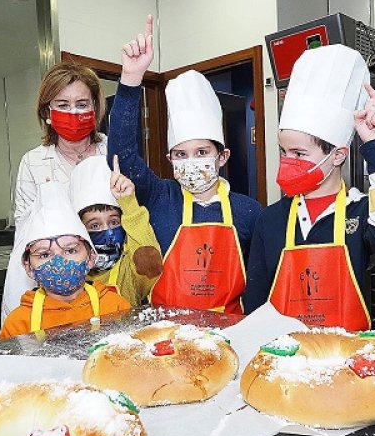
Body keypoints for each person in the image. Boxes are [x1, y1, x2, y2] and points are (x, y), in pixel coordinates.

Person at [243, 45, 375, 330]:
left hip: (346, 352)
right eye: (283, 152)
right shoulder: (270, 220)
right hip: (283, 351)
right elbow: (256, 300)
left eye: (299, 153)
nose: (287, 161)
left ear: (338, 156)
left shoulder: (360, 212)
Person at [109, 16, 261, 313]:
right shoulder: (159, 197)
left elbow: (259, 286)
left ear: (222, 157)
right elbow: (121, 155)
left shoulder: (249, 211)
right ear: (170, 160)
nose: (191, 162)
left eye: (201, 151)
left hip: (229, 331)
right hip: (166, 331)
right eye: (181, 154)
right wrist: (130, 80)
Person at [0, 182, 131, 337]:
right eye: (44, 254)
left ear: (91, 257)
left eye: (70, 250)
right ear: (28, 267)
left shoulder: (116, 307)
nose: (59, 263)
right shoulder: (17, 324)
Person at [13, 62, 109, 225]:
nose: (73, 112)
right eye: (63, 105)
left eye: (82, 104)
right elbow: (25, 227)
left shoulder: (113, 150)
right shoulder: (32, 162)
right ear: (47, 112)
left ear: (94, 108)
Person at [69, 155, 162, 306]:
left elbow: (150, 263)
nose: (108, 233)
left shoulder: (128, 273)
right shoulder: (69, 276)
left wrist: (129, 204)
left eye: (113, 222)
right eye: (95, 225)